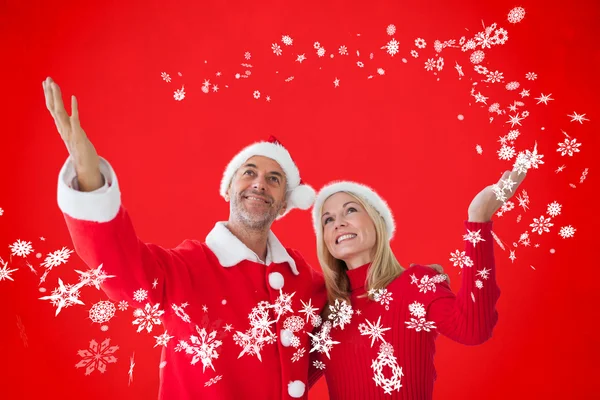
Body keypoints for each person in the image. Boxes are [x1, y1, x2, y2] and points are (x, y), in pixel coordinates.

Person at [43, 76, 329, 400]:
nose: (259, 184)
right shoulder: (185, 270)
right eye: (249, 172)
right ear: (229, 188)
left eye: (274, 179)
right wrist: (89, 177)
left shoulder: (304, 281)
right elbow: (121, 270)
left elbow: (356, 322)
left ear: (283, 205)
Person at [307, 172, 526, 399]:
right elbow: (287, 385)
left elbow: (473, 329)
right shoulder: (327, 314)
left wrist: (478, 218)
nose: (338, 223)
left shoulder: (416, 284)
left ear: (377, 220)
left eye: (350, 210)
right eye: (327, 220)